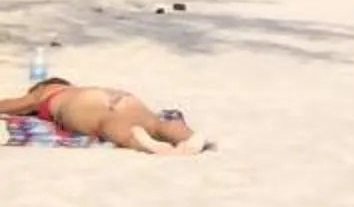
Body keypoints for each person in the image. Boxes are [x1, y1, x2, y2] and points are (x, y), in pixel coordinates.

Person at [3, 76, 204, 153]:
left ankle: (147, 144)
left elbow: (12, 105)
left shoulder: (47, 92)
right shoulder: (78, 89)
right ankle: (188, 137)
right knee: (154, 123)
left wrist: (32, 99)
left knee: (108, 125)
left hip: (87, 104)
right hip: (121, 96)